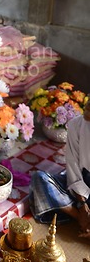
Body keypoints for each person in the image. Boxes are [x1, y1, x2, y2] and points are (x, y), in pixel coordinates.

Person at [29, 96, 90, 237]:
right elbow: (73, 165)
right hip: (79, 184)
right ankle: (79, 217)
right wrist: (81, 206)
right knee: (40, 178)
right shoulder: (77, 125)